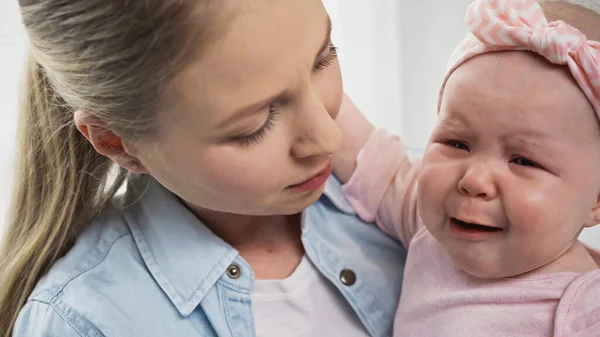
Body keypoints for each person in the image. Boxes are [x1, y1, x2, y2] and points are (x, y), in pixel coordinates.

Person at [0, 0, 407, 336]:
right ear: (115, 142)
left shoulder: (408, 204)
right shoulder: (85, 322)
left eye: (324, 58)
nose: (328, 139)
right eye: (254, 125)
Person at [333, 0, 600, 335]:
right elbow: (374, 162)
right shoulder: (435, 231)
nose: (473, 180)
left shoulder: (582, 317)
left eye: (522, 160)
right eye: (457, 143)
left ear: (596, 201)